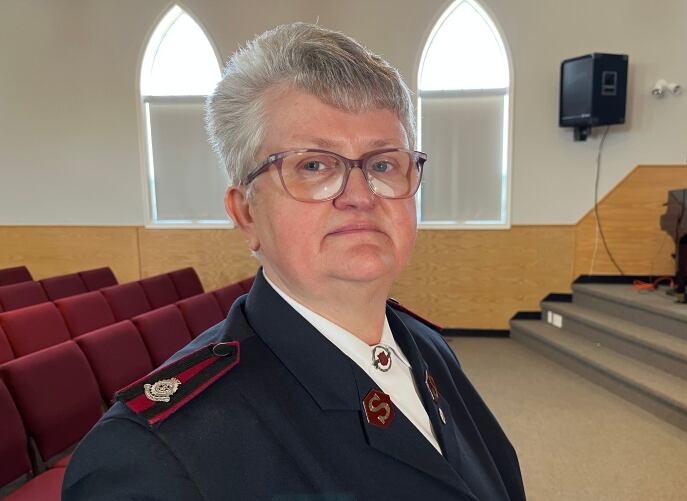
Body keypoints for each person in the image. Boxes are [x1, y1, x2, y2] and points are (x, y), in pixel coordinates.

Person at [63, 22, 525, 501]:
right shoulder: (152, 456)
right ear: (246, 213)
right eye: (313, 166)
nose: (359, 196)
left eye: (383, 164)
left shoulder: (427, 346)